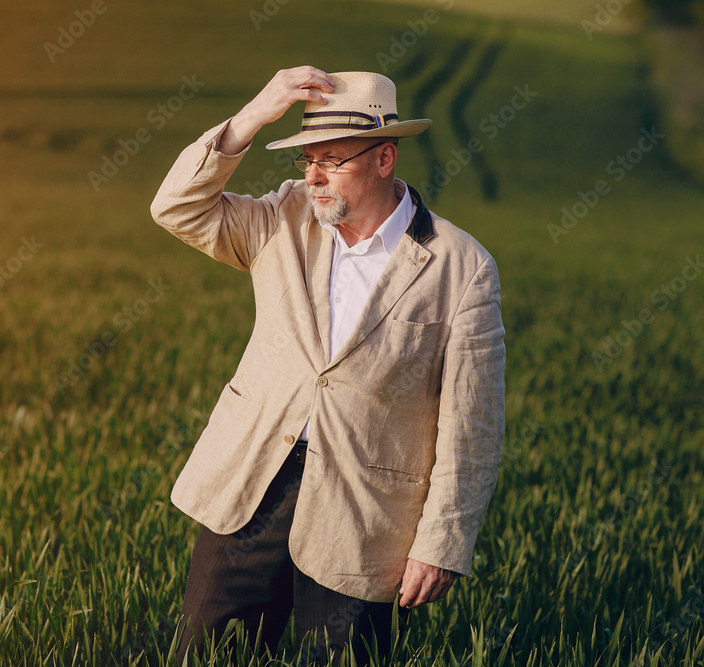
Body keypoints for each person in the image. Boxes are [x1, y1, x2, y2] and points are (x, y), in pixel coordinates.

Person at [150, 66, 505, 665]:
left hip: (364, 505)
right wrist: (254, 113)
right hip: (253, 481)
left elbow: (472, 423)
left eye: (332, 160)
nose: (312, 177)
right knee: (206, 656)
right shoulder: (280, 218)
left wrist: (443, 542)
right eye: (306, 159)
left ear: (385, 159)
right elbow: (176, 207)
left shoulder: (460, 267)